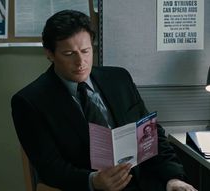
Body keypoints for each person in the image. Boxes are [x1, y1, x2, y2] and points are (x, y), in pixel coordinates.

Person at [11, 10, 197, 191]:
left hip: (145, 182)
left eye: (86, 51)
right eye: (69, 54)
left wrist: (173, 178)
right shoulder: (29, 102)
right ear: (50, 54)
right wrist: (93, 182)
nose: (80, 62)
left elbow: (151, 135)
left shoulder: (119, 79)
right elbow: (50, 167)